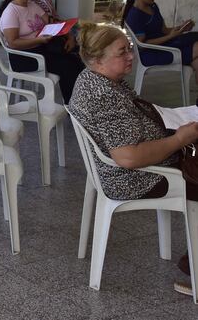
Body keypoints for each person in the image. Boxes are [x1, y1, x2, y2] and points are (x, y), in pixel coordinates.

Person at [68, 22, 198, 296]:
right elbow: (128, 156)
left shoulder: (96, 79)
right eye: (122, 52)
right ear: (98, 59)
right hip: (137, 178)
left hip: (140, 166)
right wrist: (179, 139)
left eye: (129, 49)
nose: (131, 56)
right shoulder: (103, 95)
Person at [0, 0, 84, 103]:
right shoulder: (11, 12)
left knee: (77, 60)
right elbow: (13, 43)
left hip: (41, 49)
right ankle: (73, 107)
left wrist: (70, 36)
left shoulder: (32, 5)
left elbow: (52, 22)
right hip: (24, 56)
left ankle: (80, 103)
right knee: (67, 66)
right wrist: (38, 40)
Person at [122, 0, 198, 84]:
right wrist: (170, 36)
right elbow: (142, 44)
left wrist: (182, 28)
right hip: (152, 53)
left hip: (167, 45)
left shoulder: (153, 7)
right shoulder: (135, 15)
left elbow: (165, 30)